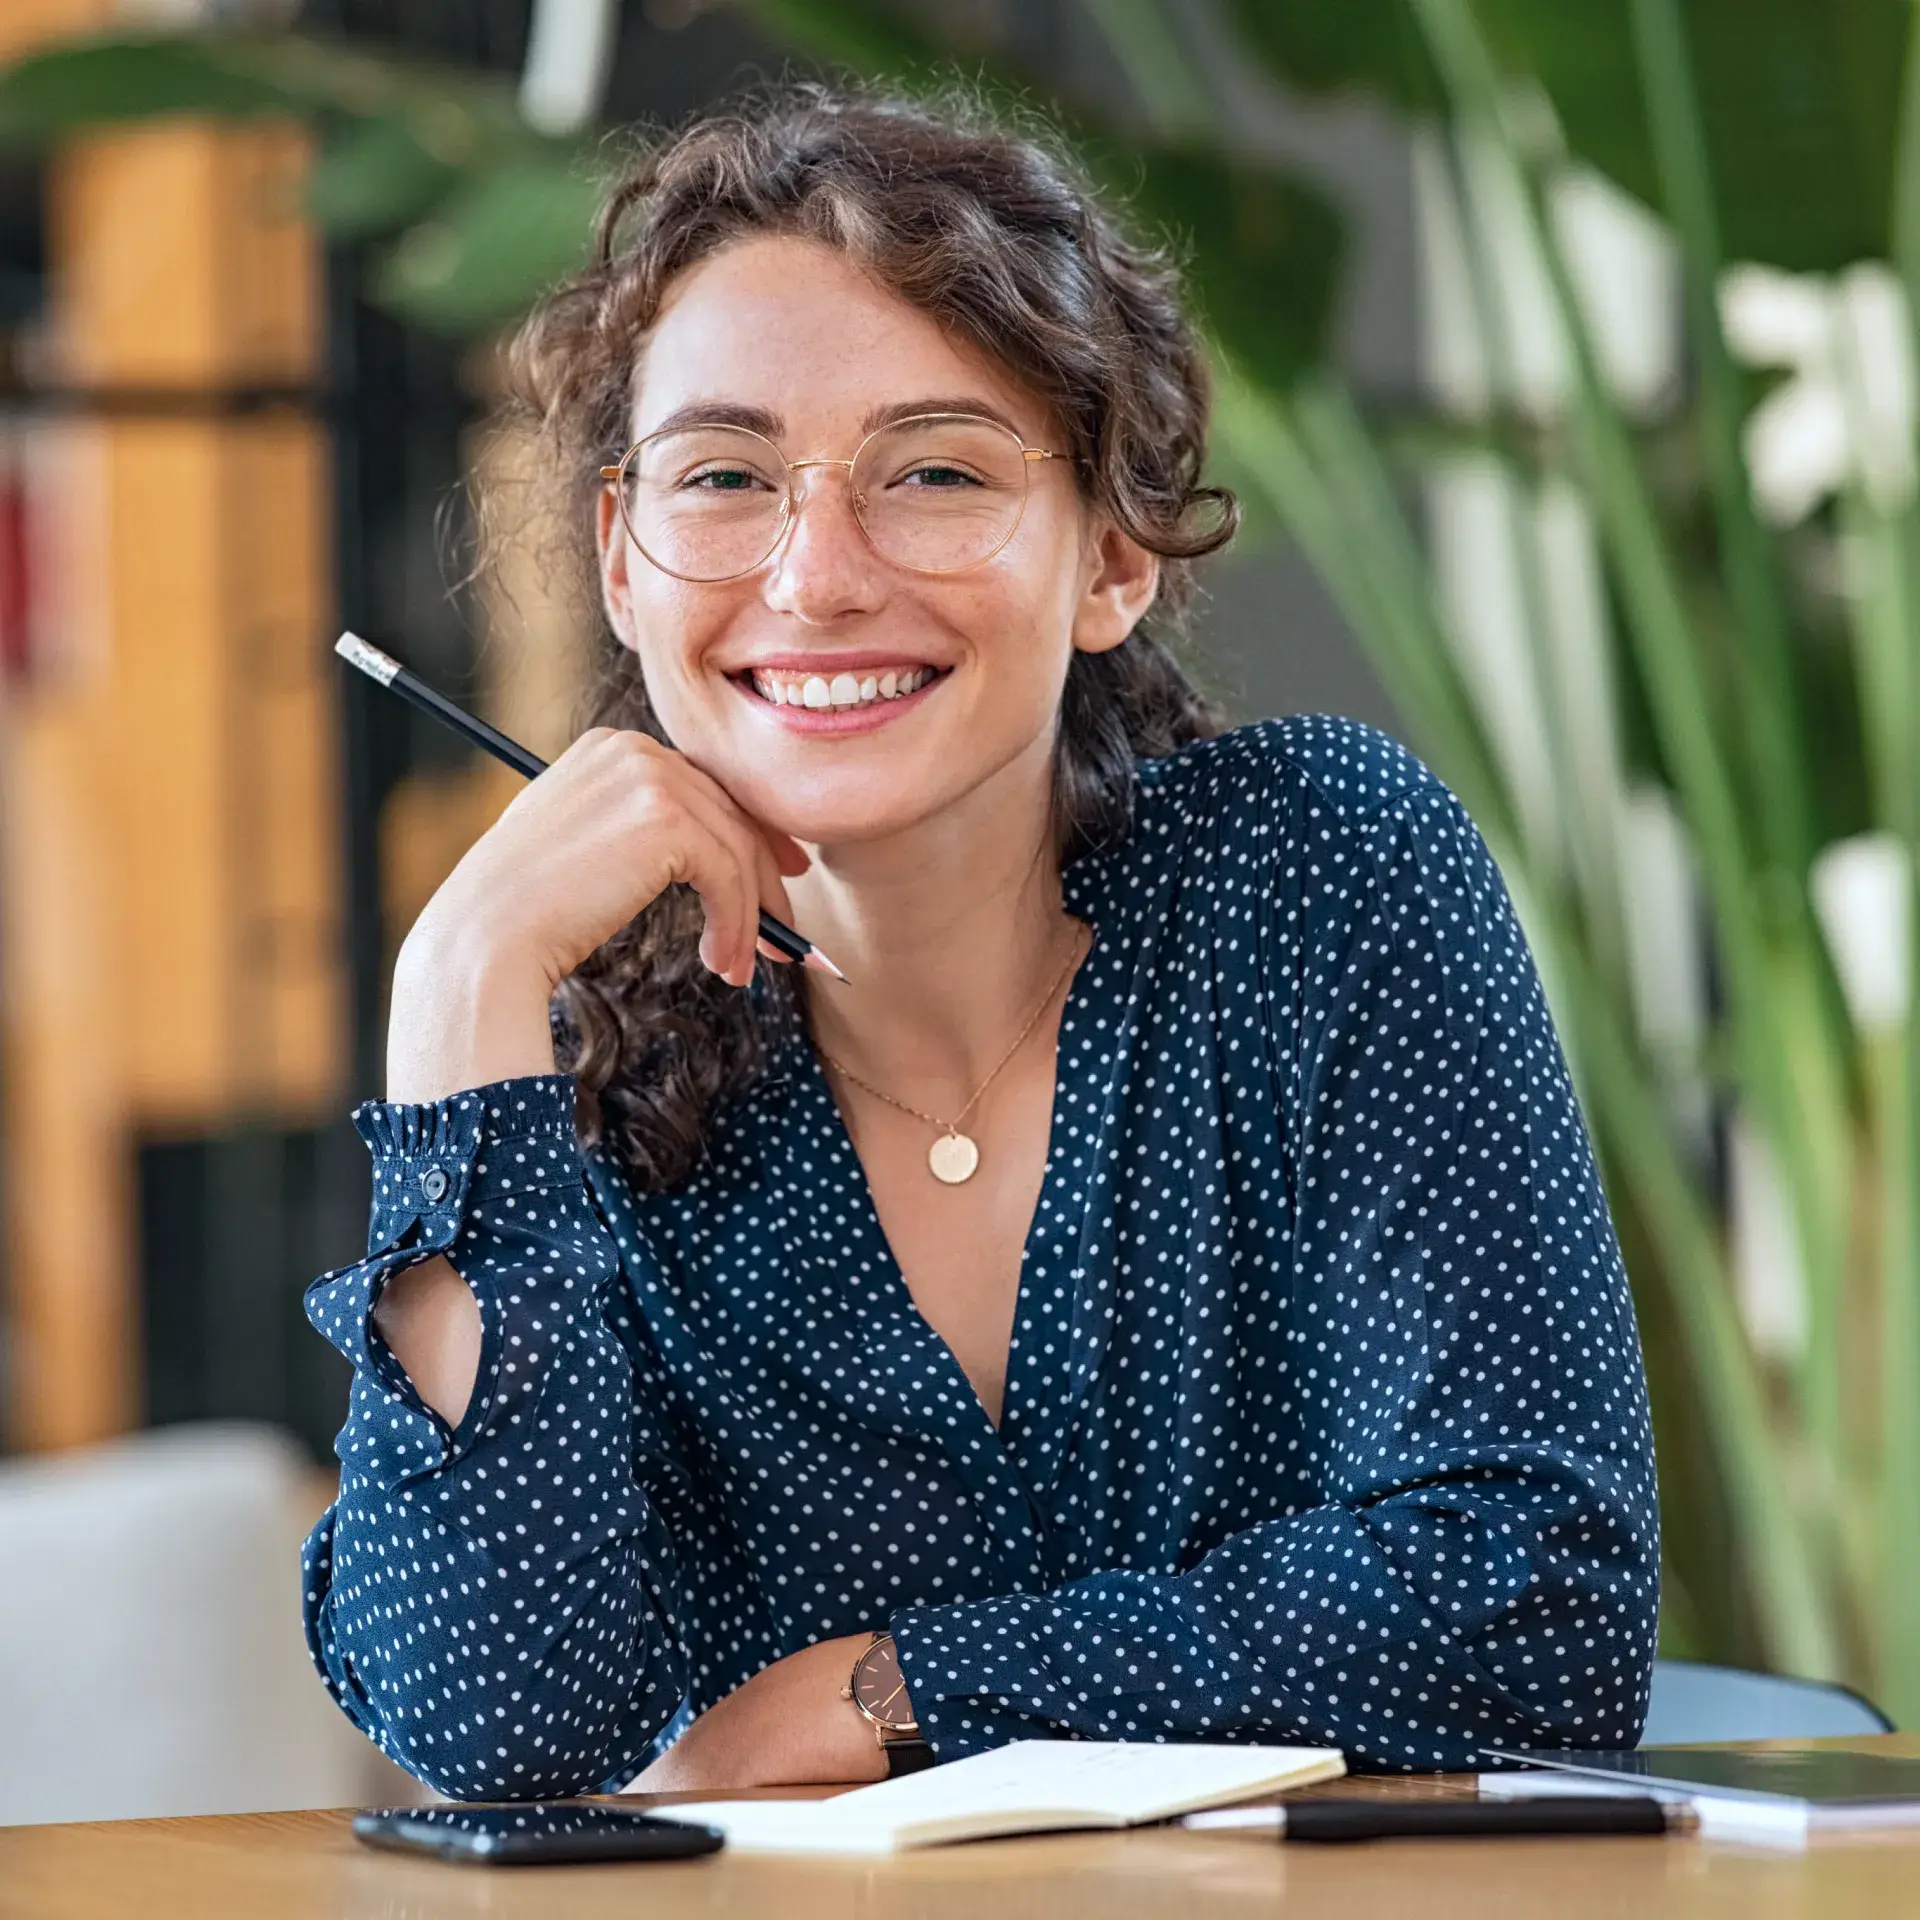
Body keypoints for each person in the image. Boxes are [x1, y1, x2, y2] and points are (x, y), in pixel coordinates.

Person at [300, 81, 1658, 1801]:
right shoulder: (543, 1082)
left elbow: (1539, 1601)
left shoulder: (1314, 875)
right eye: (724, 477)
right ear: (625, 565)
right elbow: (495, 1729)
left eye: (934, 472)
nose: (816, 576)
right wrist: (456, 989)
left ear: (1110, 556)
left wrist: (887, 1690)